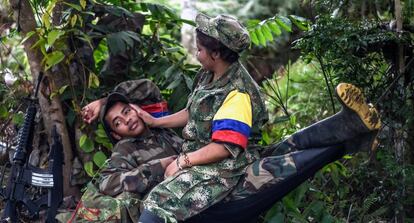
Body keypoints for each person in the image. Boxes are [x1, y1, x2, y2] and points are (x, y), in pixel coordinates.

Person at [134, 14, 382, 223]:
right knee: (290, 146)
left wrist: (183, 162)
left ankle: (355, 130)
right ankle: (352, 124)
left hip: (222, 166)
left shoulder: (237, 94)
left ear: (216, 53)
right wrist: (156, 122)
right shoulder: (208, 76)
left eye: (200, 50)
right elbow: (193, 112)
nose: (196, 54)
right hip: (206, 154)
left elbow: (225, 147)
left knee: (159, 203)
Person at [70, 79, 182, 222]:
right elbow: (107, 183)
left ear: (136, 109)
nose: (127, 120)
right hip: (164, 210)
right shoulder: (125, 147)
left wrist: (102, 102)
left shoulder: (159, 125)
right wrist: (158, 167)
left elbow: (148, 87)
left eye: (127, 111)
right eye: (118, 122)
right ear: (116, 134)